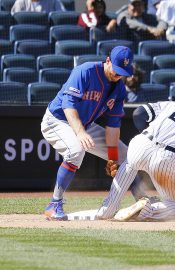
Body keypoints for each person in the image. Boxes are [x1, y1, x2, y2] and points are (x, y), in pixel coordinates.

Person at [41, 46, 146, 221]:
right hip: (57, 120)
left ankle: (143, 201)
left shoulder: (118, 88)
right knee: (76, 150)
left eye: (122, 72)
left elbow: (113, 124)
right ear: (107, 61)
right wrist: (80, 133)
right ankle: (54, 204)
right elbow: (68, 105)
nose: (118, 75)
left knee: (127, 155)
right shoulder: (85, 71)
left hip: (85, 124)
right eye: (116, 69)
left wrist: (112, 157)